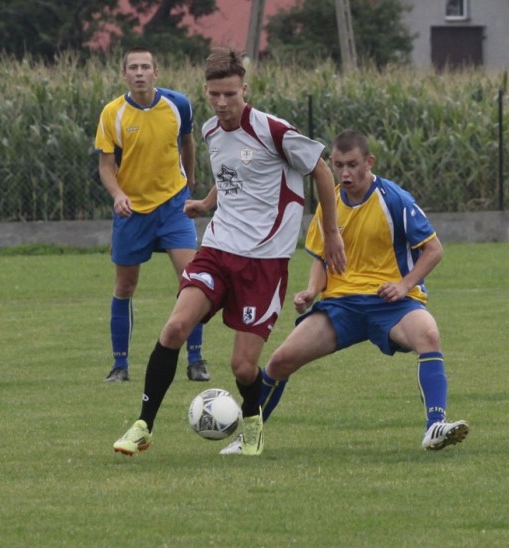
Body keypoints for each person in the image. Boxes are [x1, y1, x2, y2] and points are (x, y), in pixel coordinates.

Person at [112, 47, 346, 456]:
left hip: (264, 262)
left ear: (244, 90)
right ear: (206, 91)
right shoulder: (209, 131)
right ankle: (142, 426)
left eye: (230, 95)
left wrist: (331, 232)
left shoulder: (273, 131)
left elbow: (322, 169)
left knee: (242, 366)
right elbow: (233, 176)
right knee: (173, 329)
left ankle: (252, 423)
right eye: (215, 95)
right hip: (217, 250)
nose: (222, 104)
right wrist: (206, 202)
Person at [220, 129, 469, 455]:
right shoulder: (331, 203)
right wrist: (311, 291)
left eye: (352, 165)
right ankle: (250, 438)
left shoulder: (395, 200)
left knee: (428, 336)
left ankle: (435, 426)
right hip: (342, 306)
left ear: (369, 162)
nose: (345, 173)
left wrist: (405, 285)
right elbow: (323, 258)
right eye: (338, 165)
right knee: (280, 361)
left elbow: (434, 249)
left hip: (389, 303)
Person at [95, 46, 210, 384]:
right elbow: (105, 166)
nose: (140, 72)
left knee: (193, 281)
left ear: (156, 72)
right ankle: (120, 366)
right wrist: (118, 195)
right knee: (125, 285)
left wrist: (189, 181)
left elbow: (187, 143)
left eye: (146, 66)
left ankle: (196, 360)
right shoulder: (112, 113)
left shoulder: (178, 105)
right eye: (134, 67)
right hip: (133, 211)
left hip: (173, 206)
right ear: (124, 75)